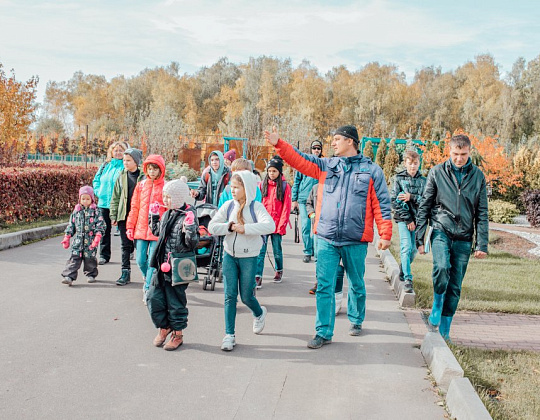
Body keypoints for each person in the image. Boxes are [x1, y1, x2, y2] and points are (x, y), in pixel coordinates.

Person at [265, 125, 392, 349]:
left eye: (337, 139)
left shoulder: (371, 170)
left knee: (356, 283)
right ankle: (323, 331)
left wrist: (385, 233)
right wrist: (279, 144)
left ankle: (356, 320)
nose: (332, 143)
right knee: (324, 286)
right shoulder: (326, 165)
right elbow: (299, 160)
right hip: (326, 237)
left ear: (350, 141)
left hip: (355, 239)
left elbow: (381, 203)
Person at [416, 134, 488, 341]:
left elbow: (482, 212)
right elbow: (425, 206)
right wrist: (419, 238)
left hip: (464, 237)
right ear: (449, 152)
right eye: (455, 154)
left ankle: (445, 330)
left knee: (455, 285)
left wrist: (481, 243)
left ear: (469, 152)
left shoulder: (478, 176)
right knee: (441, 267)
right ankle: (437, 303)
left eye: (463, 154)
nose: (459, 159)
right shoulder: (437, 172)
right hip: (441, 229)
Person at [208, 171, 275, 352]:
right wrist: (228, 227)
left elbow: (270, 225)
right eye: (231, 187)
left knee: (246, 296)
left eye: (237, 187)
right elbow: (212, 226)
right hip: (229, 255)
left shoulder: (256, 207)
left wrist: (246, 229)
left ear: (247, 188)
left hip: (249, 257)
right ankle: (229, 335)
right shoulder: (229, 206)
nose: (233, 190)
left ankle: (259, 313)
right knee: (230, 296)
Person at [147, 180, 199, 351]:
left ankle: (178, 334)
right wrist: (153, 215)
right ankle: (164, 327)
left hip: (177, 266)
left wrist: (190, 228)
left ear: (178, 197)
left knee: (175, 302)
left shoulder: (188, 215)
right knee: (154, 298)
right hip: (161, 264)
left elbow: (191, 244)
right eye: (164, 197)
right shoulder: (167, 214)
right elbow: (156, 232)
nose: (165, 200)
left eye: (169, 197)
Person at [126, 154, 166, 304]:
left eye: (155, 169)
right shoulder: (141, 185)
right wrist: (130, 226)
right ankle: (147, 276)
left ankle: (148, 288)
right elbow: (134, 206)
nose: (152, 172)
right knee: (140, 260)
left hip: (157, 230)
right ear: (146, 169)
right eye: (150, 168)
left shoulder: (165, 186)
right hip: (141, 229)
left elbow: (168, 208)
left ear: (161, 170)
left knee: (151, 261)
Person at [306, 183, 346, 315]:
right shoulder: (316, 188)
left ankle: (337, 298)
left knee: (339, 267)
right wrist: (311, 214)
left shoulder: (341, 187)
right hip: (319, 230)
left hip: (339, 232)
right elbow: (309, 203)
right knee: (319, 257)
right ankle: (319, 282)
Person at [390, 149, 426, 294]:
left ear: (419, 164)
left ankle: (403, 268)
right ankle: (408, 279)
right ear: (405, 163)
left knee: (413, 250)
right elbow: (394, 200)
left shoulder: (424, 181)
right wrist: (408, 219)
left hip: (419, 220)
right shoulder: (399, 179)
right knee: (405, 247)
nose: (412, 166)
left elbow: (426, 201)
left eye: (415, 163)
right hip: (403, 219)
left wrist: (411, 197)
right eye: (410, 163)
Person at [255, 156, 292, 287]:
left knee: (277, 250)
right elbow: (257, 204)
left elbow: (286, 207)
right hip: (263, 224)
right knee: (260, 250)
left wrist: (282, 225)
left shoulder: (285, 186)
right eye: (270, 171)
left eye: (274, 171)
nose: (271, 173)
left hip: (277, 224)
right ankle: (258, 275)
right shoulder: (261, 185)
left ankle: (279, 270)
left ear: (279, 172)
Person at [110, 148, 144, 286]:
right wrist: (113, 214)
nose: (125, 162)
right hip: (124, 216)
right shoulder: (121, 175)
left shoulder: (144, 176)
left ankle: (145, 273)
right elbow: (116, 196)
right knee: (125, 246)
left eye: (128, 160)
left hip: (139, 217)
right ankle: (125, 272)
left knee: (139, 246)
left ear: (136, 161)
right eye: (124, 160)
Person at [92, 141, 128, 264]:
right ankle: (104, 255)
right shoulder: (105, 166)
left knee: (124, 229)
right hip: (103, 203)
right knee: (104, 229)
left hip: (119, 204)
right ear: (111, 152)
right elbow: (96, 180)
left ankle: (129, 250)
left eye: (121, 150)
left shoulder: (125, 166)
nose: (118, 152)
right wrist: (98, 192)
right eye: (116, 150)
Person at [61, 186, 105, 286]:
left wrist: (98, 236)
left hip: (90, 241)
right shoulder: (77, 211)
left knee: (90, 259)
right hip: (78, 241)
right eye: (83, 198)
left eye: (87, 199)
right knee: (74, 258)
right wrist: (67, 236)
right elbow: (71, 224)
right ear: (79, 199)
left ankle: (91, 274)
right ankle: (69, 276)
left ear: (92, 199)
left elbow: (101, 224)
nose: (85, 201)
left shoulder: (96, 211)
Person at [291, 140, 323, 263]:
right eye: (314, 148)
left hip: (317, 201)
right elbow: (297, 182)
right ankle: (307, 251)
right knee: (305, 226)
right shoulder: (304, 164)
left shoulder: (323, 164)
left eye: (318, 148)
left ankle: (315, 250)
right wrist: (294, 200)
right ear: (311, 149)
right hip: (303, 200)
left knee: (316, 226)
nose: (316, 150)